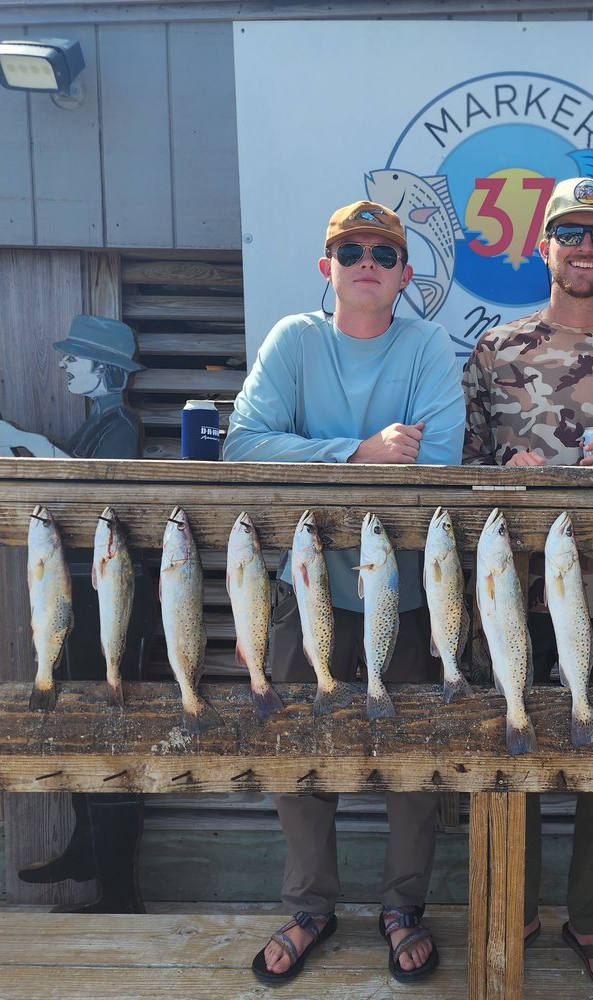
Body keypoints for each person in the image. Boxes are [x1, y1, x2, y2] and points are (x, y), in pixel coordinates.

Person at [224, 200, 464, 985]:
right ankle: (309, 906)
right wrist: (358, 451)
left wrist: (325, 462)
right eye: (350, 248)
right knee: (300, 757)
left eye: (384, 253)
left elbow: (440, 463)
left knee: (412, 766)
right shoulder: (295, 340)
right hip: (301, 591)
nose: (367, 261)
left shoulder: (428, 344)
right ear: (326, 266)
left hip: (409, 594)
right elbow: (242, 447)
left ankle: (403, 908)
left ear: (404, 275)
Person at [463, 177, 593, 998]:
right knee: (508, 748)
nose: (583, 247)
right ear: (542, 247)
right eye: (567, 233)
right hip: (511, 595)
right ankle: (510, 905)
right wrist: (496, 470)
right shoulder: (495, 350)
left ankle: (591, 919)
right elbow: (459, 471)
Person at [0, 317, 152, 915]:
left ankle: (119, 891)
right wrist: (12, 443)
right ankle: (87, 855)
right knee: (84, 726)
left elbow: (92, 484)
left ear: (105, 369)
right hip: (80, 593)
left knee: (111, 735)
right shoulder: (98, 422)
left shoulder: (121, 425)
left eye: (75, 358)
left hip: (108, 599)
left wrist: (24, 438)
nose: (64, 366)